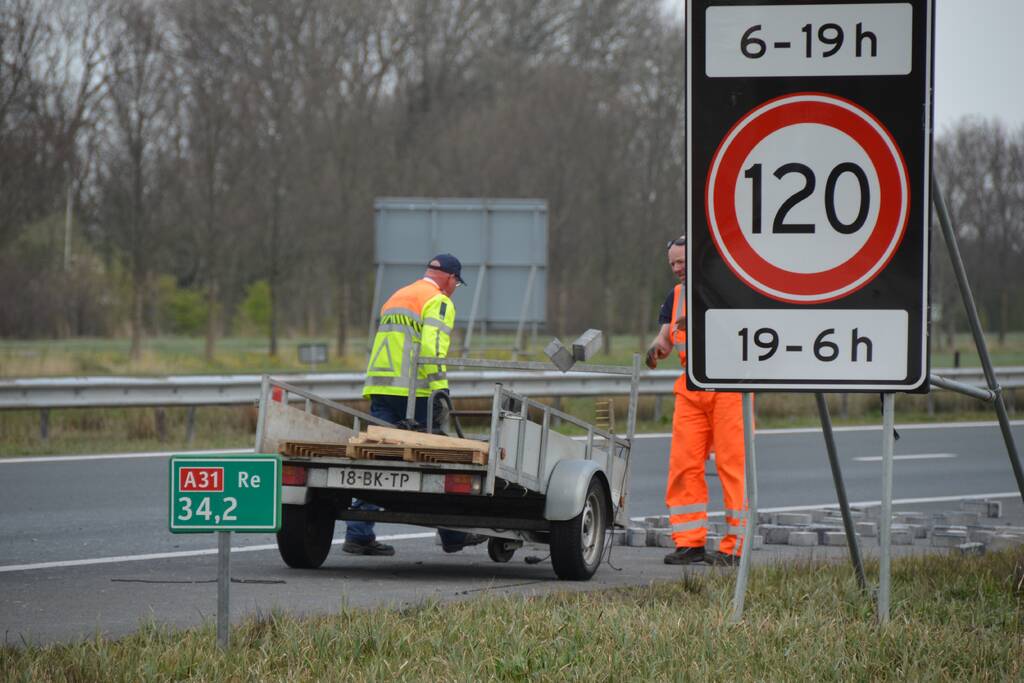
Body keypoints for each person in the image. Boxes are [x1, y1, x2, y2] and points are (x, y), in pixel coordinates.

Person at [346, 253, 484, 555]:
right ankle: (452, 535)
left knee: (378, 457)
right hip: (416, 393)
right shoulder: (438, 301)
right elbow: (432, 350)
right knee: (439, 461)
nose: (454, 289)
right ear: (450, 278)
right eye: (456, 284)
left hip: (382, 387)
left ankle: (358, 534)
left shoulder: (398, 295)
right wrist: (440, 392)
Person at [646, 236, 748, 567]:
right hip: (691, 390)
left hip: (729, 387)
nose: (677, 268)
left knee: (732, 467)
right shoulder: (675, 297)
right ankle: (689, 543)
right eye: (673, 263)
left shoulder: (729, 287)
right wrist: (656, 350)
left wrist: (705, 322)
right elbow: (665, 338)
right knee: (684, 467)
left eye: (682, 261)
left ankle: (735, 547)